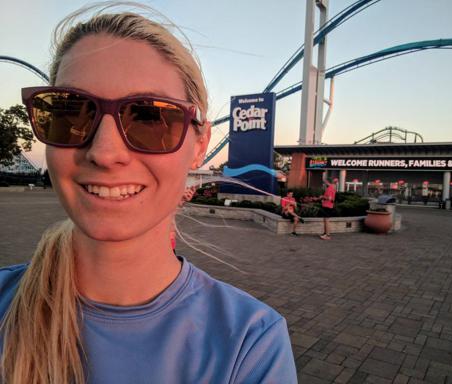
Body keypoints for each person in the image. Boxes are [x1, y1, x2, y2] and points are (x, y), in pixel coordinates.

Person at [0, 7, 297, 384]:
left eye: (150, 118)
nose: (105, 153)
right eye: (70, 113)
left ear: (199, 144)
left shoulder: (250, 345)